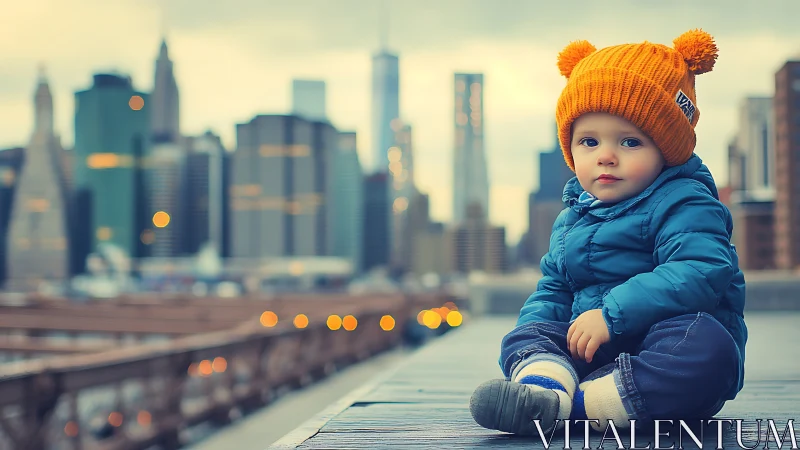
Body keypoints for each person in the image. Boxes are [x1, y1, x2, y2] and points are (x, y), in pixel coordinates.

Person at [469, 29, 747, 436]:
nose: (606, 156)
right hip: (591, 351)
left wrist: (611, 315)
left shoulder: (685, 201)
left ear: (666, 149)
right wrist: (537, 332)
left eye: (630, 141)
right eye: (589, 141)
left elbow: (701, 269)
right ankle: (544, 388)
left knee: (707, 345)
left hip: (662, 355)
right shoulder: (574, 216)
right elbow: (554, 288)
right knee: (526, 332)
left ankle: (581, 406)